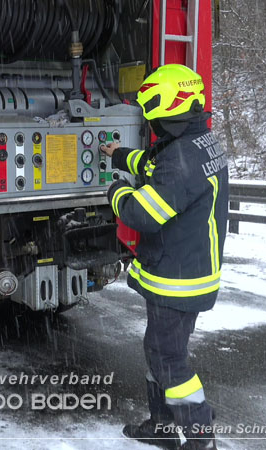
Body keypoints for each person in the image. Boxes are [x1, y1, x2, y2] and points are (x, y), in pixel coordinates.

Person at [100, 64, 228, 450]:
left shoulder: (182, 159)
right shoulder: (198, 144)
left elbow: (143, 214)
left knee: (167, 358)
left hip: (180, 278)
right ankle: (162, 426)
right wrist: (120, 155)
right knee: (160, 351)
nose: (150, 120)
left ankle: (200, 434)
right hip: (185, 270)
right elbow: (159, 168)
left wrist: (115, 193)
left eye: (153, 111)